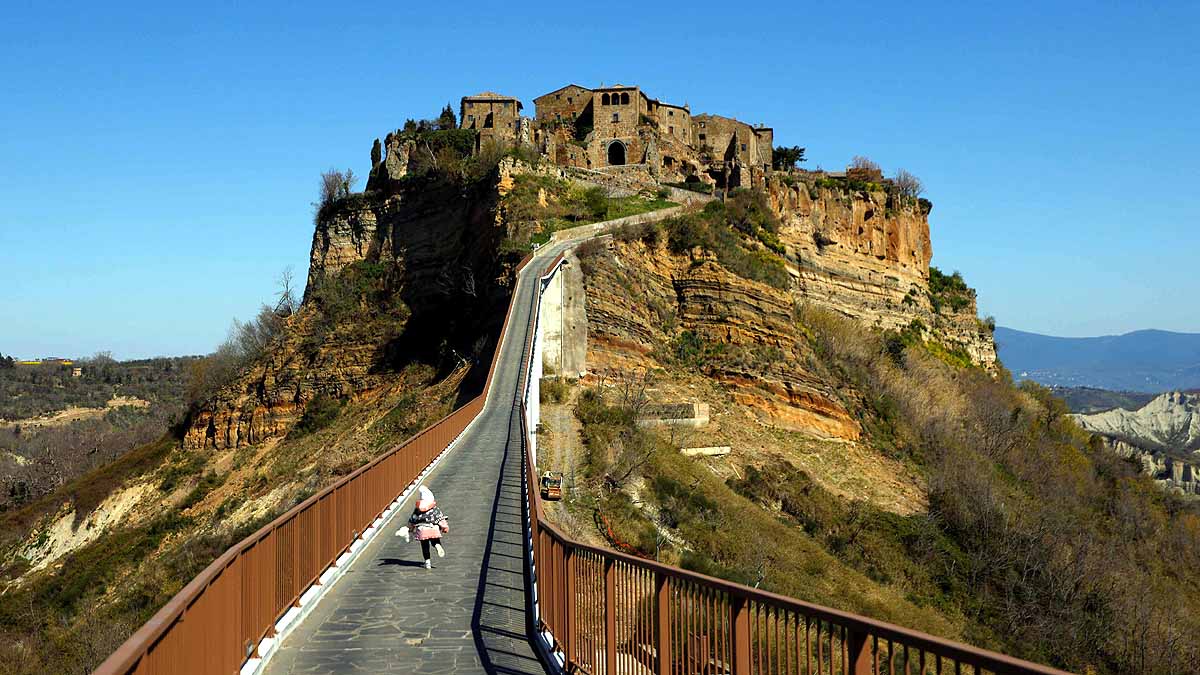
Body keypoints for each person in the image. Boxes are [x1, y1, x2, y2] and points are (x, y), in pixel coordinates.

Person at [396, 485, 448, 569]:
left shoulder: (417, 510)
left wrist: (410, 527)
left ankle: (427, 563)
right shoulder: (434, 509)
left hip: (422, 530)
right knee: (435, 540)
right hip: (433, 528)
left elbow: (412, 520)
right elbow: (440, 519)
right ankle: (437, 545)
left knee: (425, 546)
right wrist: (444, 527)